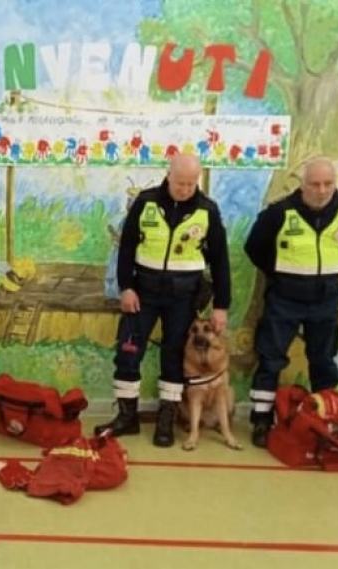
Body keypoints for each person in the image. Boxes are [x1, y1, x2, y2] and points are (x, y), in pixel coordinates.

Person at [94, 154, 231, 447]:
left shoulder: (208, 210)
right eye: (180, 182)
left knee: (172, 358)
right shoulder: (146, 203)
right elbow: (127, 248)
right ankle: (127, 417)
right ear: (168, 176)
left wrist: (221, 306)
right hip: (143, 293)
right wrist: (126, 288)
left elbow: (220, 261)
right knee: (128, 352)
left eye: (191, 183)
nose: (185, 188)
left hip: (183, 297)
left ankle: (166, 420)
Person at [244, 157, 338, 448]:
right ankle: (260, 420)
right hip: (285, 298)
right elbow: (254, 247)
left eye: (328, 184)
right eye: (315, 184)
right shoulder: (279, 212)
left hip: (325, 299)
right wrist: (281, 271)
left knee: (323, 361)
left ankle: (328, 418)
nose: (322, 190)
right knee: (270, 359)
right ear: (302, 184)